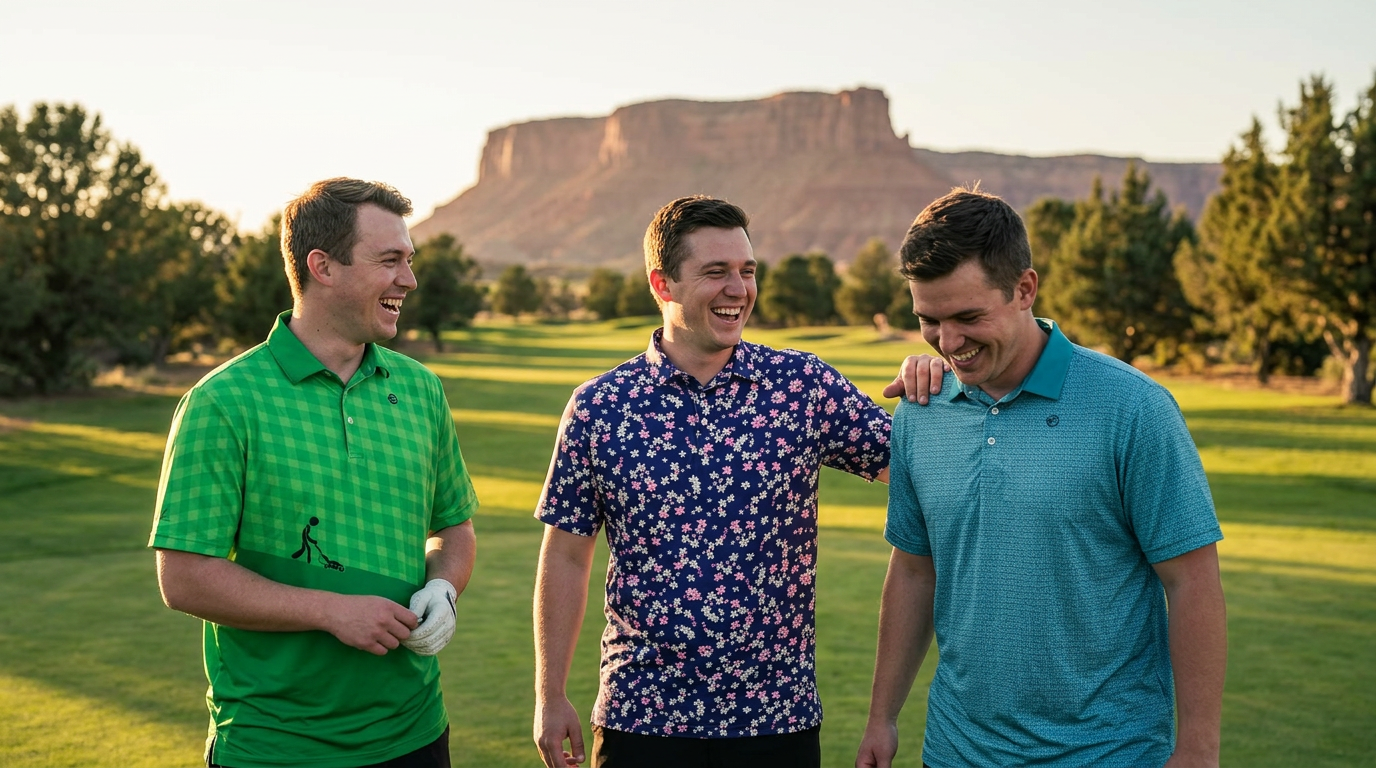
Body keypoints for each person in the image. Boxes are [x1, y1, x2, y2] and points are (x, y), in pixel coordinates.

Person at [856, 188, 1227, 768]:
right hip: (955, 750)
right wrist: (882, 718)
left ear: (1025, 289)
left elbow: (1192, 580)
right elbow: (913, 570)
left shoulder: (1133, 408)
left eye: (969, 317)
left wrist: (1199, 746)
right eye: (929, 320)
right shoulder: (920, 412)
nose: (949, 344)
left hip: (1110, 751)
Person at [532, 195, 897, 768]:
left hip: (776, 720)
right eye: (716, 272)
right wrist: (549, 696)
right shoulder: (600, 407)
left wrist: (937, 387)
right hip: (642, 717)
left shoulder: (801, 387)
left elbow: (913, 464)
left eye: (747, 271)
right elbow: (566, 558)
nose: (739, 289)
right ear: (663, 283)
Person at [150, 178, 478, 768]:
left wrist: (444, 588)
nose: (410, 279)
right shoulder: (223, 401)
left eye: (410, 260)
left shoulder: (421, 389)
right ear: (322, 266)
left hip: (416, 734)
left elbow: (453, 527)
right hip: (274, 745)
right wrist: (332, 610)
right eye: (390, 261)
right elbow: (184, 577)